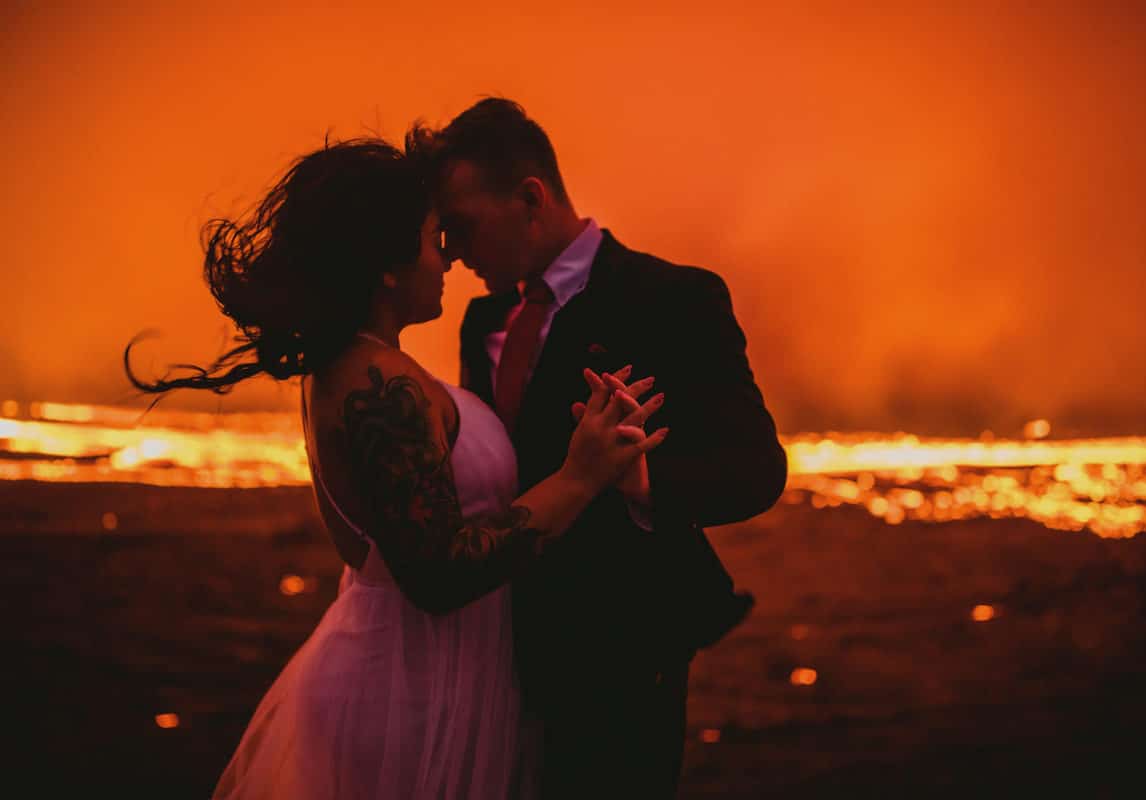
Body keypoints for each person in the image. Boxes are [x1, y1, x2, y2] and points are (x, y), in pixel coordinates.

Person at [125, 136, 668, 799]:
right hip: (410, 698)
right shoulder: (380, 384)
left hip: (425, 675)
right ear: (387, 265)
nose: (448, 258)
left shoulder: (358, 364)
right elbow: (439, 573)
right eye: (434, 238)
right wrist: (579, 476)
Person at [437, 98, 789, 798]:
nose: (452, 252)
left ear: (529, 198)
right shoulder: (483, 320)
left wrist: (644, 482)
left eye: (462, 226)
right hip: (498, 642)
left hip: (623, 650)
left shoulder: (673, 298)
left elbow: (758, 470)